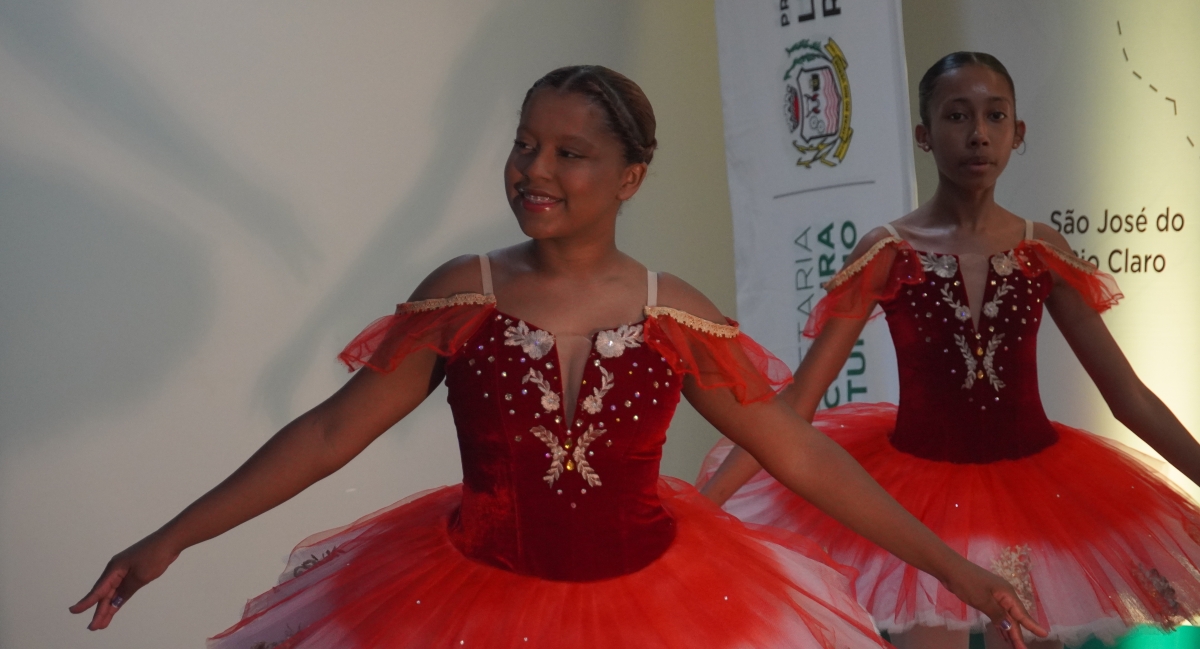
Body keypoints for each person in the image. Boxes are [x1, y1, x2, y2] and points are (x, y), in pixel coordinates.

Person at [71, 65, 1043, 648]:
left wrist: (955, 571)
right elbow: (329, 434)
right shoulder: (466, 294)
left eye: (568, 153)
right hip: (471, 599)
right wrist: (173, 537)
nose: (534, 169)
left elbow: (802, 453)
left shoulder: (672, 312)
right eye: (524, 145)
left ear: (630, 177)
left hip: (657, 607)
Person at [699, 52, 1200, 649]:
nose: (978, 134)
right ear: (924, 134)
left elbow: (1128, 396)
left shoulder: (1041, 250)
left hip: (1040, 494)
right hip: (920, 498)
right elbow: (798, 403)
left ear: (1018, 132)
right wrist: (709, 505)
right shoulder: (888, 250)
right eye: (957, 116)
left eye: (995, 116)